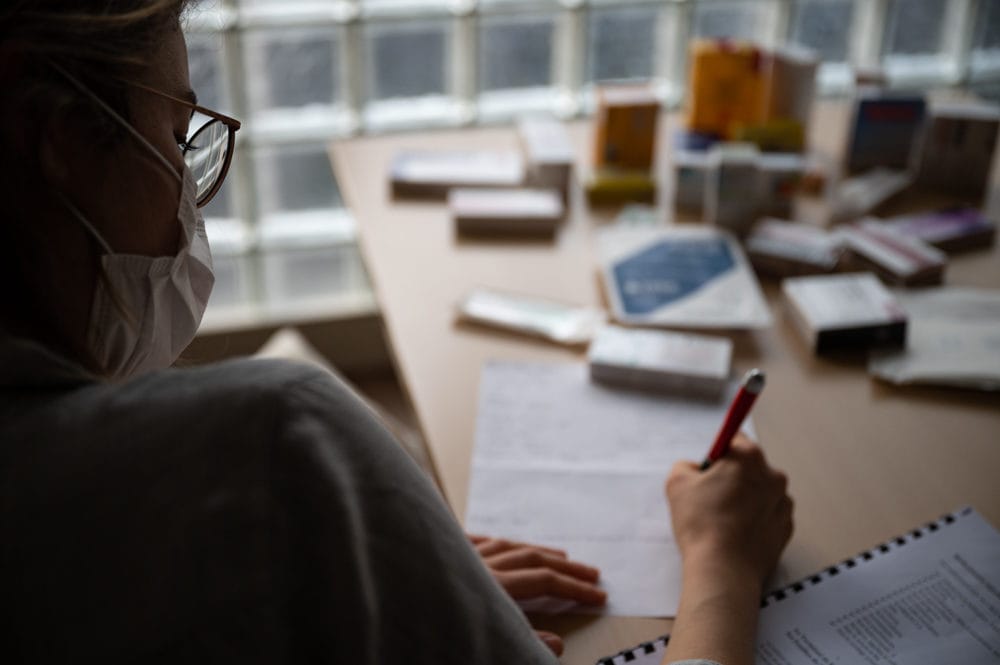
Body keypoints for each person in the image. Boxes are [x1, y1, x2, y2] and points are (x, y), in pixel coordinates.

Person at [0, 2, 793, 664]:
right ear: (64, 137)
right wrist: (723, 555)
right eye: (173, 140)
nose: (188, 200)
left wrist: (368, 580)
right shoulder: (270, 449)